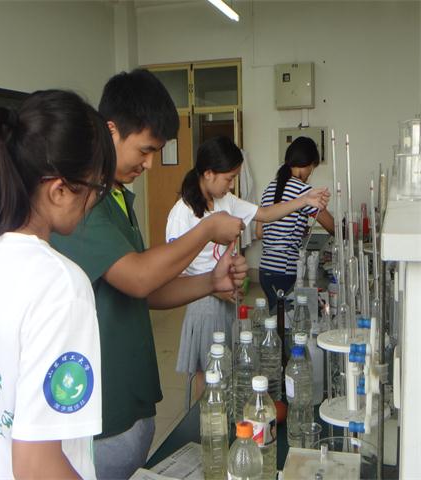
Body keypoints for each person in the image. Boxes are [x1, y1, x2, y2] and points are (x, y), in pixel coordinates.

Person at [51, 69, 248, 479]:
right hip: (102, 411)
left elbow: (144, 290)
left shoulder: (117, 197)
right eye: (145, 149)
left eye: (157, 151)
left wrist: (210, 282)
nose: (150, 163)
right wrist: (207, 229)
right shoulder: (80, 204)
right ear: (110, 130)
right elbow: (139, 277)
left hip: (132, 402)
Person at [0, 90, 116, 479]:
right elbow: (36, 466)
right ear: (59, 190)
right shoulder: (59, 285)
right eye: (97, 189)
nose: (94, 203)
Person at [166, 135, 329, 395]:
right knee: (208, 372)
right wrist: (214, 288)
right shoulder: (182, 213)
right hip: (203, 302)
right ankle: (205, 414)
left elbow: (264, 214)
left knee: (228, 368)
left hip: (228, 298)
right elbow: (175, 273)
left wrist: (305, 200)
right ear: (208, 173)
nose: (232, 185)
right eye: (229, 178)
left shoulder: (225, 201)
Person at [256, 136, 335, 313]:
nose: (310, 174)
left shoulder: (269, 188)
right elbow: (332, 227)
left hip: (264, 270)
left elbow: (259, 232)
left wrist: (295, 228)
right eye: (312, 169)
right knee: (286, 319)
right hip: (284, 270)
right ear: (308, 165)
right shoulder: (302, 190)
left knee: (276, 316)